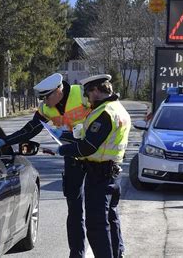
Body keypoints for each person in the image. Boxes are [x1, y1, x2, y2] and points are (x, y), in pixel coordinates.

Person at [0, 73, 91, 257]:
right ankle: (76, 253)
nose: (44, 102)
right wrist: (5, 141)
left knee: (97, 211)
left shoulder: (82, 95)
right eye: (42, 98)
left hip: (95, 156)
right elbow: (30, 129)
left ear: (58, 90)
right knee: (75, 210)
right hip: (72, 157)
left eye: (47, 97)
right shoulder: (47, 108)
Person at [56, 74, 130, 258]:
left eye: (88, 93)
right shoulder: (118, 108)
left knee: (97, 225)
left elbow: (88, 147)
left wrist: (62, 150)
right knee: (111, 219)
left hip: (100, 174)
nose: (87, 97)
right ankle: (117, 254)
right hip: (112, 172)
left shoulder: (105, 112)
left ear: (96, 90)